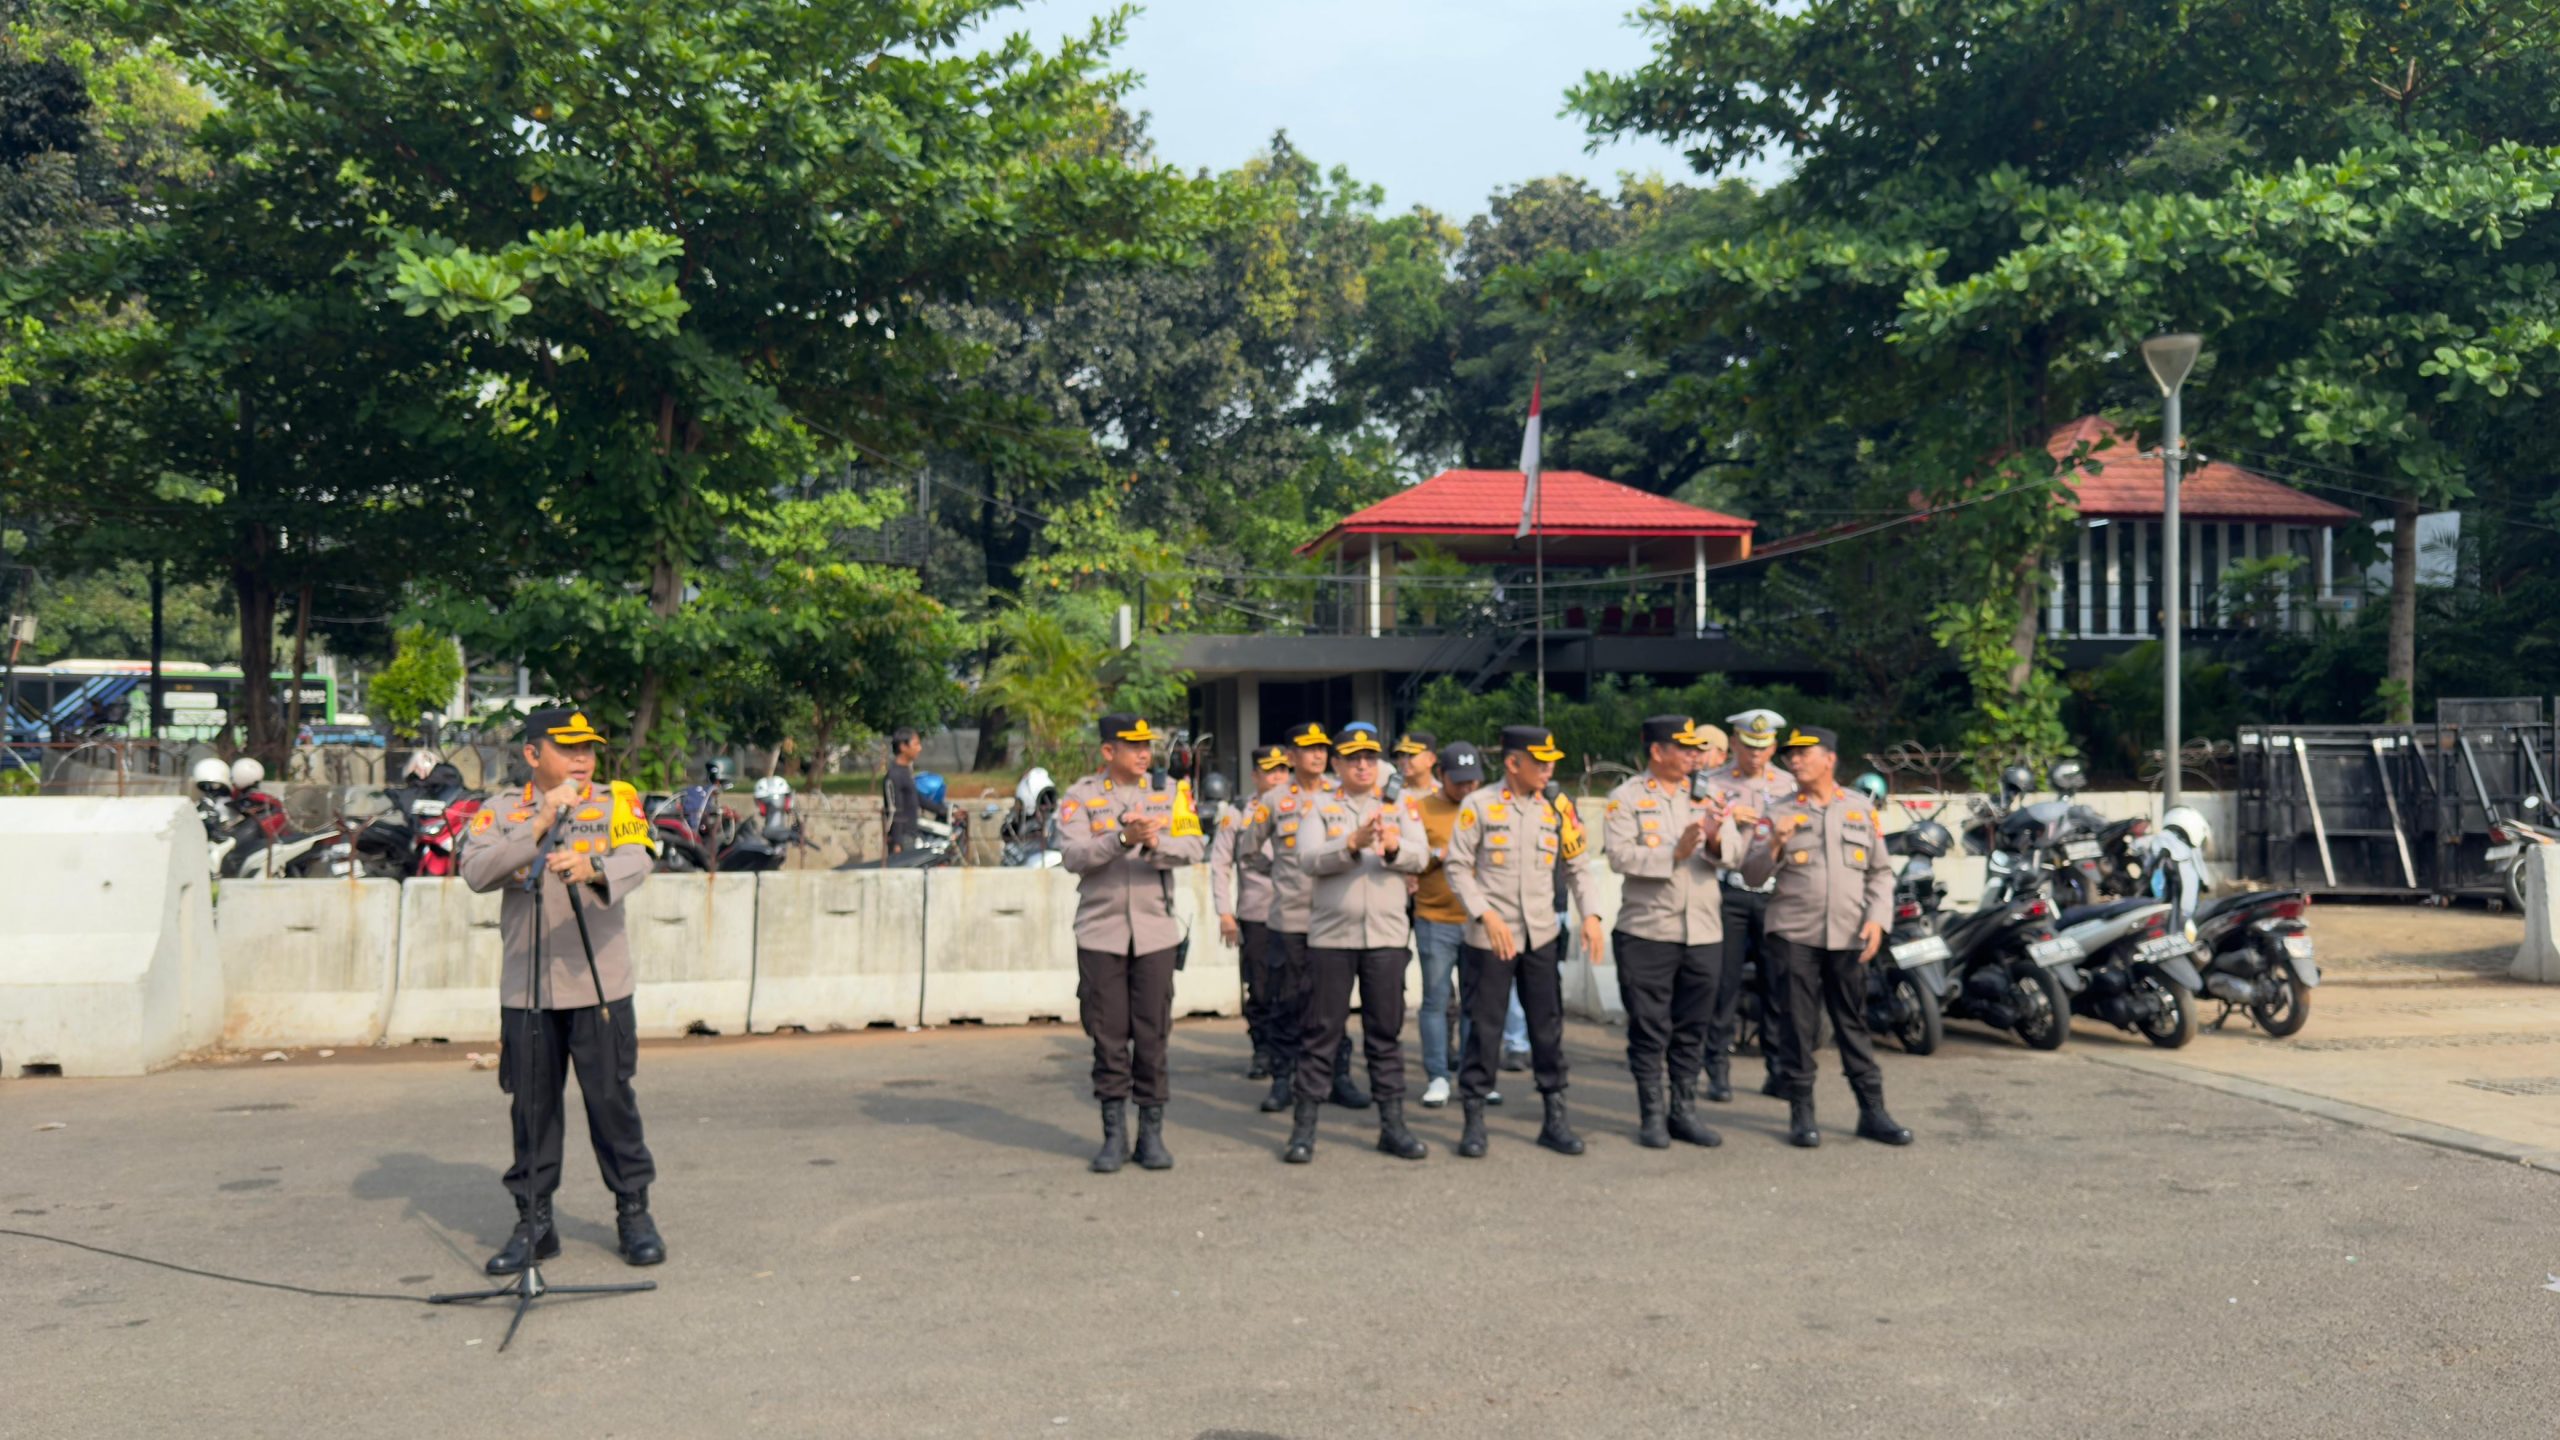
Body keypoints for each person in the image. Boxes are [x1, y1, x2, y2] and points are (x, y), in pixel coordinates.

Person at [458, 706, 665, 1274]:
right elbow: (475, 871)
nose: (582, 759)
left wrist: (594, 867)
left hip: (598, 984)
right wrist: (539, 827)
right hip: (527, 990)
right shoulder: (501, 810)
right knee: (532, 1109)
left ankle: (633, 1212)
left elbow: (639, 857)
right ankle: (535, 1223)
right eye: (568, 748)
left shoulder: (616, 799)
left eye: (589, 749)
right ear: (532, 755)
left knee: (612, 1103)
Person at [1739, 726, 1912, 1149]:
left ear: (1829, 759)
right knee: (1798, 1027)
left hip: (1849, 935)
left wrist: (1877, 920)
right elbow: (1751, 874)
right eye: (1791, 756)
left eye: (1804, 754)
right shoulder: (1777, 810)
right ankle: (1802, 1113)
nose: (1794, 761)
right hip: (1794, 934)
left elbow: (1880, 871)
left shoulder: (1858, 809)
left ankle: (1873, 1112)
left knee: (1852, 1024)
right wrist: (1775, 844)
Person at [1442, 724, 1608, 1158]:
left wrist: (1591, 914)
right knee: (1484, 1028)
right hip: (1489, 939)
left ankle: (1555, 1117)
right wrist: (1485, 912)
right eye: (1540, 760)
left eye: (1552, 759)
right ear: (1513, 763)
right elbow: (1457, 867)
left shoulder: (1558, 806)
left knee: (1547, 1027)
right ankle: (1474, 1119)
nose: (1549, 767)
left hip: (1541, 935)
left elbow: (1578, 867)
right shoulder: (1478, 805)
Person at [1057, 714, 1205, 1173]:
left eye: (1148, 745)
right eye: (1133, 745)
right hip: (1101, 933)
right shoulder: (1080, 797)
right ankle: (1113, 1134)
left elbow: (1194, 847)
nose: (1145, 753)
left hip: (1155, 933)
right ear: (1108, 752)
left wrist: (1152, 842)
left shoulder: (1171, 793)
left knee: (1153, 1035)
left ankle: (1152, 1134)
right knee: (1108, 1036)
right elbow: (1073, 856)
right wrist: (1121, 838)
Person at [1284, 722, 1431, 1163]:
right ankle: (1303, 1130)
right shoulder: (1319, 806)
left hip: (1385, 936)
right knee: (1321, 1033)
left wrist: (1390, 847)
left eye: (1370, 758)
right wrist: (1350, 842)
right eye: (1353, 759)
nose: (1363, 766)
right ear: (1338, 764)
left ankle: (1393, 1126)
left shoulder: (1401, 805)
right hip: (1332, 938)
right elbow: (1307, 859)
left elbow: (1422, 857)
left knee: (1385, 1033)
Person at [1603, 716, 1747, 1149]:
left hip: (1703, 931)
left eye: (1696, 748)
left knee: (1693, 1026)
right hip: (1648, 931)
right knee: (1649, 1027)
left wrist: (1717, 839)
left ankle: (1683, 1111)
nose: (1694, 755)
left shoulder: (1709, 794)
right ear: (1657, 751)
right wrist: (1675, 851)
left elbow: (1735, 855)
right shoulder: (1624, 798)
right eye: (1683, 747)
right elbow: (1619, 857)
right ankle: (1651, 1115)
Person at [1239, 723, 1368, 1114]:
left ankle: (1338, 1077)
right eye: (1308, 749)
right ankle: (1283, 1079)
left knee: (1334, 1004)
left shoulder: (1340, 795)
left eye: (1323, 748)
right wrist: (1280, 875)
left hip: (1334, 918)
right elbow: (1249, 851)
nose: (1317, 755)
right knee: (1287, 1001)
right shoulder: (1274, 799)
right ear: (1291, 756)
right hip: (1290, 919)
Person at [1702, 707, 1798, 1103]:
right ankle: (1717, 1070)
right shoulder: (1713, 782)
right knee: (1722, 985)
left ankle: (1777, 1069)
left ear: (1773, 746)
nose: (1755, 753)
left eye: (1763, 746)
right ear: (1735, 743)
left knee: (1777, 983)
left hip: (1777, 893)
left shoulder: (1790, 784)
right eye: (1748, 745)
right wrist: (1727, 817)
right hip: (1731, 892)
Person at [1409, 741, 1482, 1108]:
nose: (1468, 789)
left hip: (1478, 920)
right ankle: (1438, 1076)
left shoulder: (1486, 807)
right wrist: (1441, 855)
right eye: (1460, 782)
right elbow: (1409, 860)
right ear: (1442, 777)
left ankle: (1474, 1076)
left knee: (1476, 1003)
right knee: (1436, 1001)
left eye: (1473, 781)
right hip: (1435, 918)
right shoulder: (1421, 809)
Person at [1210, 745, 1291, 1079]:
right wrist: (1224, 913)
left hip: (1297, 913)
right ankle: (1262, 1049)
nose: (1278, 777)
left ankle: (1290, 1051)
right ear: (1255, 775)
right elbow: (1220, 864)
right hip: (1257, 913)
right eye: (1270, 771)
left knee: (1294, 986)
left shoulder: (1301, 806)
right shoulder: (1238, 812)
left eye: (1283, 770)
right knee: (1259, 987)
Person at [883, 727, 944, 856]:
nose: (919, 748)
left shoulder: (906, 772)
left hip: (912, 835)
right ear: (903, 746)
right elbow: (895, 811)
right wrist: (897, 843)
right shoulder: (894, 775)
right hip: (903, 839)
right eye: (916, 744)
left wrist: (945, 810)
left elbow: (918, 798)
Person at [1393, 730, 1441, 800]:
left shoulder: (1443, 795)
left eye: (1411, 755)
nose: (1404, 761)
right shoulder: (1389, 793)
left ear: (1431, 760)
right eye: (1401, 755)